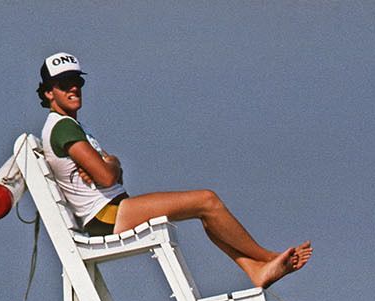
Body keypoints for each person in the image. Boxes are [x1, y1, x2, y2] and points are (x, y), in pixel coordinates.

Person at [36, 53, 311, 288]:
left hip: (113, 211)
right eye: (64, 84)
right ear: (49, 93)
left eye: (78, 82)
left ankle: (255, 269)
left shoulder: (70, 126)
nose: (74, 88)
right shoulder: (63, 128)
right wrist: (109, 165)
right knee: (207, 201)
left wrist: (110, 164)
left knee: (205, 208)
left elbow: (111, 170)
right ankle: (267, 258)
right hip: (108, 216)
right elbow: (108, 176)